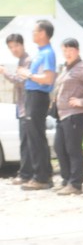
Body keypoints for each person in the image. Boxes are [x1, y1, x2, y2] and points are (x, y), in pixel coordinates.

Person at [52, 38, 83, 196]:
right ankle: (66, 180)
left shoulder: (82, 68)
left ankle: (75, 183)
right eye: (65, 50)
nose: (67, 53)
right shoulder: (66, 68)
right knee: (60, 147)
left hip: (75, 115)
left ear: (77, 51)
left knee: (73, 149)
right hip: (62, 115)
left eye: (70, 50)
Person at [17, 20, 55, 190]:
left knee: (36, 137)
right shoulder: (40, 52)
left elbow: (48, 78)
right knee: (35, 136)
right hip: (32, 95)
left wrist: (29, 74)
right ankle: (45, 174)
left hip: (38, 96)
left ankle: (41, 177)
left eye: (35, 31)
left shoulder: (47, 53)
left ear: (43, 33)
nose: (32, 34)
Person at [0, 33, 33, 185]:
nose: (14, 49)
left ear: (22, 44)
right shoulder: (21, 61)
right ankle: (27, 173)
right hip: (22, 107)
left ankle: (26, 174)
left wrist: (4, 72)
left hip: (28, 107)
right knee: (25, 142)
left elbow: (20, 81)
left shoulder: (28, 61)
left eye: (16, 46)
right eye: (11, 47)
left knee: (27, 143)